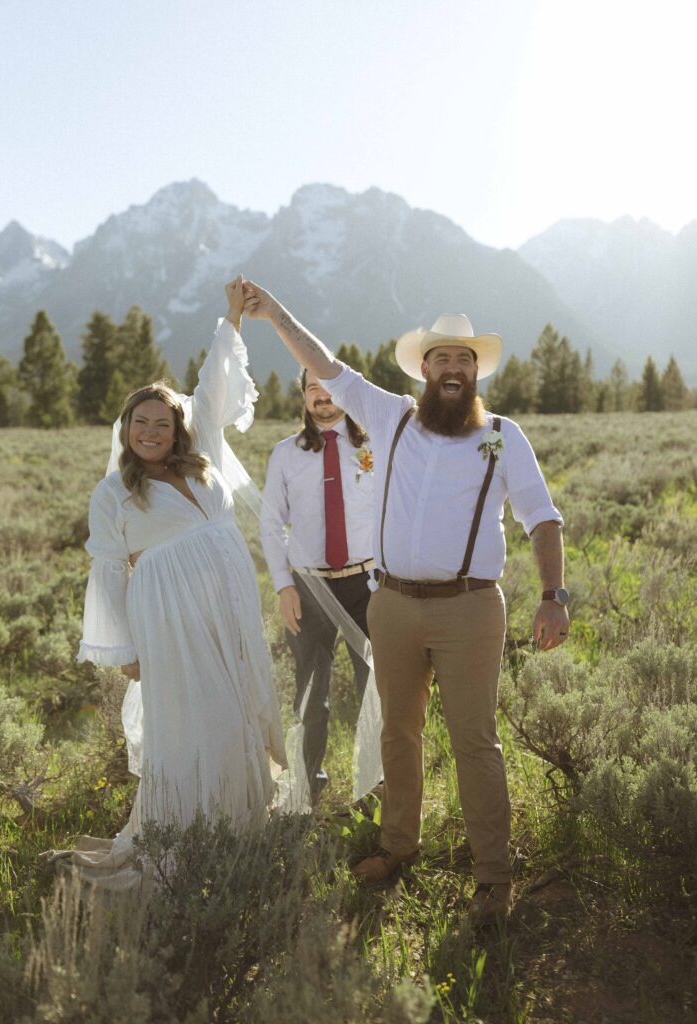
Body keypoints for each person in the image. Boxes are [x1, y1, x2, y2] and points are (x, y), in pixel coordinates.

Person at [242, 282, 569, 925]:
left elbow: (543, 518)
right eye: (442, 359)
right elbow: (326, 365)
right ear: (424, 369)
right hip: (390, 605)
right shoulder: (390, 418)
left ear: (475, 373)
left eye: (464, 361)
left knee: (475, 742)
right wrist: (275, 313)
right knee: (398, 731)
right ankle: (397, 847)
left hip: (470, 610)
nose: (453, 369)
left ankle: (492, 877)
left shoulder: (501, 437)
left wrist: (554, 594)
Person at [70, 277, 286, 886]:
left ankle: (240, 831)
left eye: (162, 422)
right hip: (169, 624)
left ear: (177, 427)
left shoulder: (204, 459)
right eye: (141, 422)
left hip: (229, 610)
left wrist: (232, 320)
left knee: (239, 709)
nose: (152, 431)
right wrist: (125, 652)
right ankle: (183, 841)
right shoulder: (114, 492)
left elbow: (213, 387)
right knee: (196, 723)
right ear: (126, 428)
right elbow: (109, 572)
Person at [260, 367, 375, 803]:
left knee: (375, 690)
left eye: (330, 390)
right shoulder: (286, 454)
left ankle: (377, 787)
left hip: (367, 585)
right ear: (304, 396)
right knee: (310, 696)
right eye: (313, 390)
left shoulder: (374, 446)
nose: (323, 398)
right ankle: (308, 788)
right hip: (308, 588)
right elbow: (271, 523)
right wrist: (282, 586)